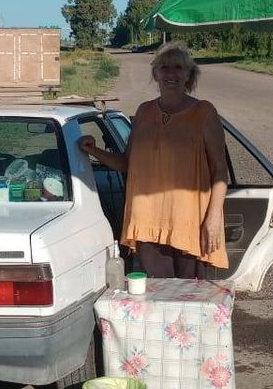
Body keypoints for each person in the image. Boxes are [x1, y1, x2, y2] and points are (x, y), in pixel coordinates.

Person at [79, 42, 229, 278]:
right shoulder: (144, 112)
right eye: (164, 67)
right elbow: (128, 163)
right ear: (155, 73)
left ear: (188, 74)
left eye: (178, 68)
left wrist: (213, 218)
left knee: (188, 298)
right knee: (158, 297)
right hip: (147, 220)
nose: (171, 73)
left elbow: (220, 171)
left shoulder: (204, 113)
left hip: (190, 222)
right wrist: (94, 150)